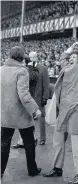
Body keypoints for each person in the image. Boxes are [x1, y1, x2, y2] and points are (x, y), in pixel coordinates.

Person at [43, 31, 78, 184]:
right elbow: (62, 57)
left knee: (76, 142)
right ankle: (57, 168)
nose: (71, 57)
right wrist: (71, 47)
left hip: (77, 110)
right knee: (58, 140)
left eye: (75, 55)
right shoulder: (66, 68)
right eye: (71, 56)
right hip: (64, 110)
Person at [1, 46, 41, 178]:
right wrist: (35, 109)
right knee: (29, 143)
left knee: (4, 143)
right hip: (21, 114)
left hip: (5, 114)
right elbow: (23, 95)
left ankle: (0, 171)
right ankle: (32, 169)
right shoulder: (22, 71)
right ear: (22, 57)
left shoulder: (1, 69)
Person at [12, 52, 49, 147]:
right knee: (26, 119)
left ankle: (42, 138)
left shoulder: (43, 68)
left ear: (37, 58)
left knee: (41, 119)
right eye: (30, 57)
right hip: (28, 97)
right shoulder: (25, 69)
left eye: (34, 57)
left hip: (38, 97)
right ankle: (25, 140)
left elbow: (46, 84)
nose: (32, 59)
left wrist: (45, 97)